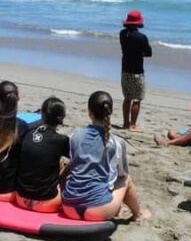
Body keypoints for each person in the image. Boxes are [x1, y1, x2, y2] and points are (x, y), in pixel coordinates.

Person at [61, 91, 151, 223]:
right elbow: (122, 174)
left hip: (69, 208)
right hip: (97, 211)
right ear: (110, 112)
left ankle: (117, 206)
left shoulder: (75, 136)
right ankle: (138, 214)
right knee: (126, 179)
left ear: (89, 112)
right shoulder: (116, 142)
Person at [14, 97, 70, 213]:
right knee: (68, 164)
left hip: (20, 198)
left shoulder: (27, 134)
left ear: (42, 114)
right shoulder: (62, 140)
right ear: (62, 118)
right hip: (47, 204)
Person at [119, 10, 152, 131]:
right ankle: (133, 124)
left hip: (125, 69)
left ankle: (125, 123)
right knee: (137, 99)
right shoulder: (141, 37)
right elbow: (149, 53)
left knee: (127, 98)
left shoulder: (122, 34)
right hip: (137, 71)